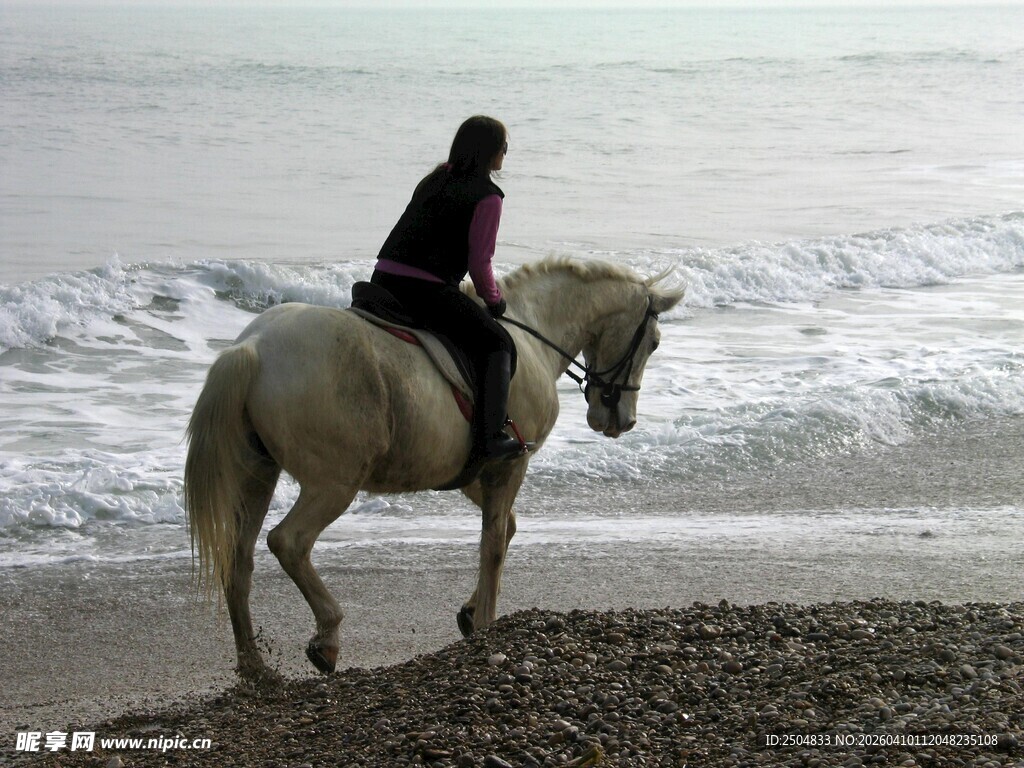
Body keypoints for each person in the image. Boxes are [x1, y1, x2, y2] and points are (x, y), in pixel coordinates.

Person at [370, 115, 523, 462]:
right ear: (490, 152)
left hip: (382, 279)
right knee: (498, 343)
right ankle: (490, 438)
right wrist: (495, 301)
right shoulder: (488, 196)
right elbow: (479, 265)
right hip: (425, 291)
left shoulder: (435, 178)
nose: (505, 152)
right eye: (504, 147)